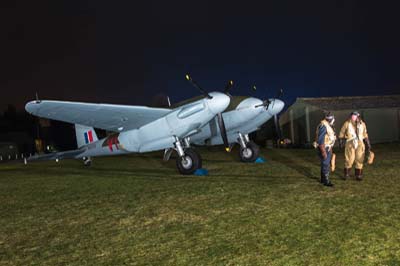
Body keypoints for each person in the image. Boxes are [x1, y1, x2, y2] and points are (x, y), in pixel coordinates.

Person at [339, 111, 371, 180]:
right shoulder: (347, 123)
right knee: (349, 159)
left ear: (358, 116)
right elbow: (342, 132)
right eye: (352, 115)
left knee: (360, 158)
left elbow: (365, 133)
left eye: (355, 115)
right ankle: (346, 174)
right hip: (350, 142)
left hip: (360, 142)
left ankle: (358, 175)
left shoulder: (362, 124)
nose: (353, 117)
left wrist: (368, 143)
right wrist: (341, 141)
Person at [315, 112, 336, 187]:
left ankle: (323, 179)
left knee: (324, 163)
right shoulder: (324, 126)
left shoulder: (327, 125)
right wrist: (323, 151)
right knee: (326, 164)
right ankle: (326, 181)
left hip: (327, 147)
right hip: (324, 147)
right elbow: (321, 140)